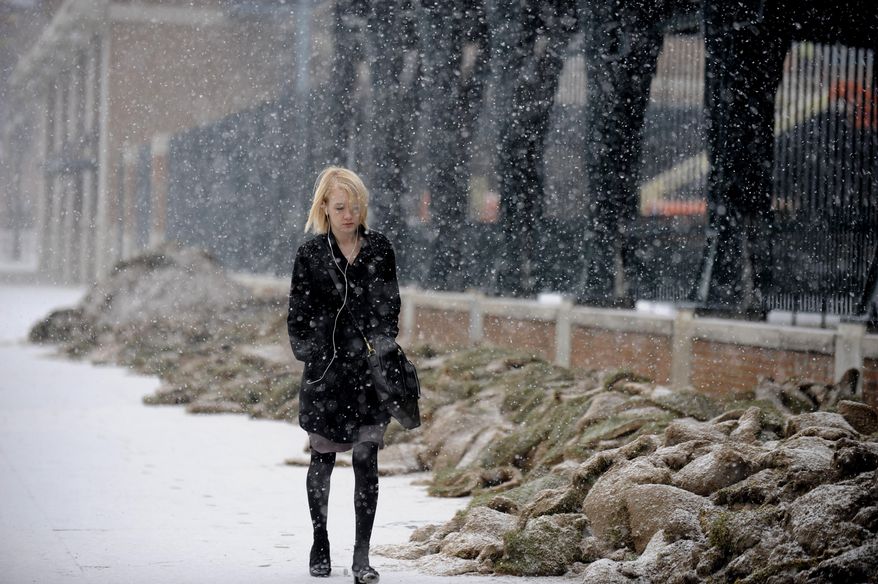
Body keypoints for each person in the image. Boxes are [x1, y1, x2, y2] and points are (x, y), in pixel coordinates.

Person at [287, 166, 400, 584]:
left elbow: (391, 306)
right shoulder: (310, 254)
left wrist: (381, 346)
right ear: (325, 208)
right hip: (327, 377)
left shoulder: (380, 249)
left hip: (369, 376)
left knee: (367, 458)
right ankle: (320, 542)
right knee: (322, 457)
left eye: (354, 206)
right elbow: (297, 315)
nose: (349, 215)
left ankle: (361, 556)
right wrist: (316, 354)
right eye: (340, 207)